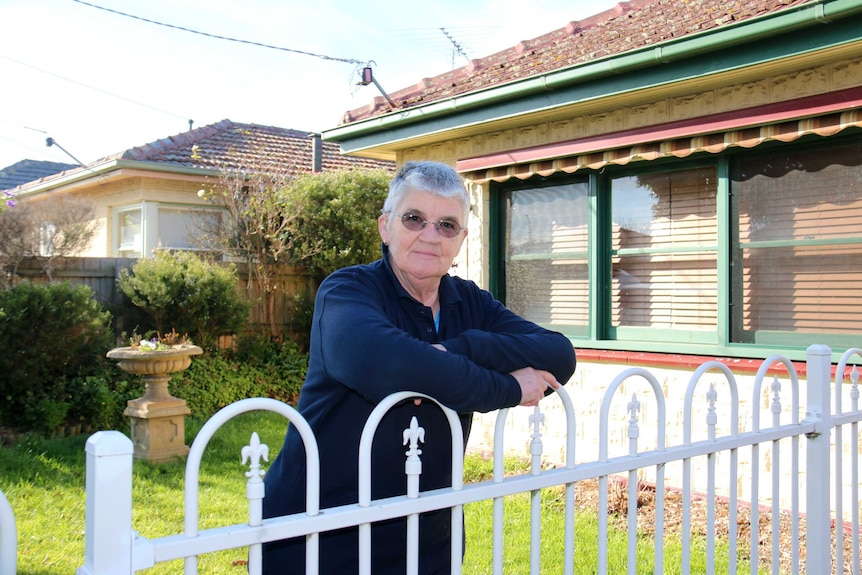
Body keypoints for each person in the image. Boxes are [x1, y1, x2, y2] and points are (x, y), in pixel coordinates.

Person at [261, 160, 576, 574]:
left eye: (447, 225)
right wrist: (510, 390)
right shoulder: (347, 291)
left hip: (429, 535)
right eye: (414, 219)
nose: (430, 236)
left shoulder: (470, 303)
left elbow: (558, 354)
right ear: (385, 226)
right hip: (323, 534)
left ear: (461, 240)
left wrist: (462, 347)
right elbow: (393, 366)